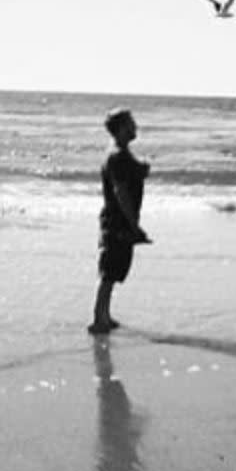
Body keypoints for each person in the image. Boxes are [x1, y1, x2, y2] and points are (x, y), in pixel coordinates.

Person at [90, 108, 151, 335]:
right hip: (117, 221)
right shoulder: (117, 155)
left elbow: (129, 176)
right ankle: (98, 319)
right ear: (122, 128)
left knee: (115, 270)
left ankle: (104, 315)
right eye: (131, 124)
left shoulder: (122, 154)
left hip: (119, 220)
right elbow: (120, 191)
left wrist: (140, 171)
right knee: (108, 272)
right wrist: (133, 224)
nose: (135, 127)